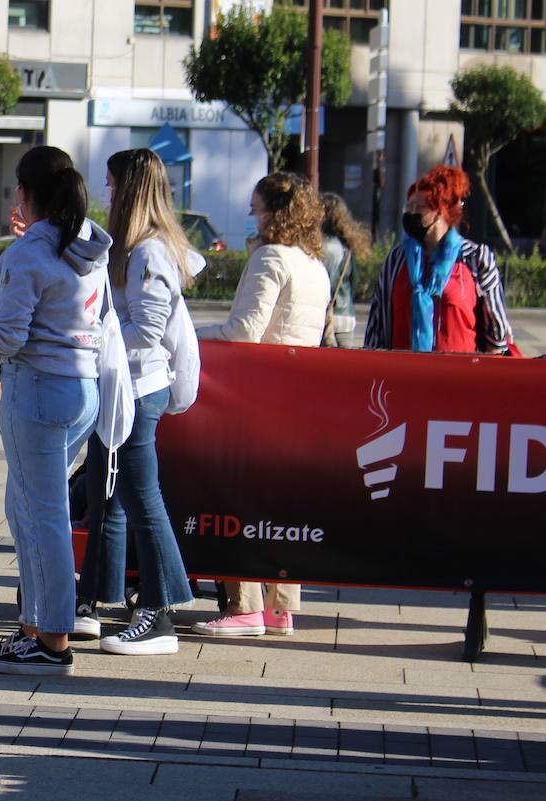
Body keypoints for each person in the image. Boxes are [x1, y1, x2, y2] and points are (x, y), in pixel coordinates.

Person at [0, 145, 114, 676]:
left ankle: (51, 638)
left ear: (25, 194)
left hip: (36, 388)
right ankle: (35, 626)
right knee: (27, 508)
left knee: (42, 515)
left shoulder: (26, 255)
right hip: (80, 384)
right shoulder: (86, 247)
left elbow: (6, 340)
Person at [77, 149, 204, 657]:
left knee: (140, 498)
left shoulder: (150, 252)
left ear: (129, 190)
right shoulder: (144, 248)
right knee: (120, 497)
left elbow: (148, 329)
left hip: (138, 387)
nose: (106, 193)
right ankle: (127, 602)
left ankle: (160, 612)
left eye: (111, 184)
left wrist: (93, 339)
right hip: (129, 385)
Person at [193, 172, 328, 639]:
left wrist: (191, 335)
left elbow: (245, 330)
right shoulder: (315, 264)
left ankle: (244, 606)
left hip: (257, 396)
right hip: (299, 400)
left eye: (255, 208)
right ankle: (281, 606)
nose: (251, 216)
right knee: (281, 504)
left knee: (240, 500)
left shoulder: (270, 257)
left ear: (274, 212)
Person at [364, 165, 512, 354]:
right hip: (403, 376)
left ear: (440, 212)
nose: (411, 213)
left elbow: (497, 338)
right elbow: (376, 331)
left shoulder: (476, 259)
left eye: (419, 208)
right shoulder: (396, 260)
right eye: (409, 207)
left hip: (460, 378)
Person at [319, 193, 372, 348]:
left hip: (328, 316)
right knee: (344, 365)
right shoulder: (347, 246)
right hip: (346, 315)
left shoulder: (325, 246)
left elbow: (322, 283)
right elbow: (354, 281)